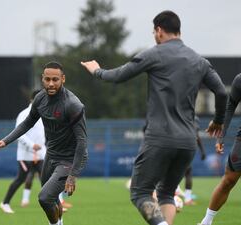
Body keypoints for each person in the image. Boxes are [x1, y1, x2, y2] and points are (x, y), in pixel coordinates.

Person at [81, 10, 227, 225]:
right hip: (188, 141)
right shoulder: (199, 60)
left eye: (153, 32)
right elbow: (222, 92)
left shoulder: (154, 54)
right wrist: (219, 120)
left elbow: (118, 76)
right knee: (167, 194)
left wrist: (96, 71)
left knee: (140, 192)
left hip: (160, 137)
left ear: (159, 30)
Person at [0, 61, 88, 225]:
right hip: (50, 154)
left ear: (63, 79)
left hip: (69, 159)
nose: (51, 83)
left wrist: (72, 176)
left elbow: (82, 141)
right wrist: (5, 140)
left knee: (44, 198)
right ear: (42, 79)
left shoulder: (73, 105)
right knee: (50, 200)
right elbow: (27, 123)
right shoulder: (40, 99)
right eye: (47, 79)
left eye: (55, 79)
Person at [198, 74, 241, 225]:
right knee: (229, 180)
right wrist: (221, 137)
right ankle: (206, 222)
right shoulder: (240, 80)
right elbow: (230, 107)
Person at [0, 90, 46, 214]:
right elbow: (19, 134)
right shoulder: (24, 114)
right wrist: (32, 145)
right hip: (26, 155)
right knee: (21, 179)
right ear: (33, 100)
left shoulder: (44, 114)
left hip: (40, 155)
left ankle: (55, 204)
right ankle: (5, 203)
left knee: (47, 178)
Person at [182, 116, 206, 206]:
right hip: (185, 147)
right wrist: (202, 151)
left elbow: (197, 136)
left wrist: (202, 150)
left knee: (173, 172)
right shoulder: (192, 117)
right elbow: (196, 134)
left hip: (171, 145)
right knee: (187, 172)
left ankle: (171, 195)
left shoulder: (175, 113)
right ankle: (187, 198)